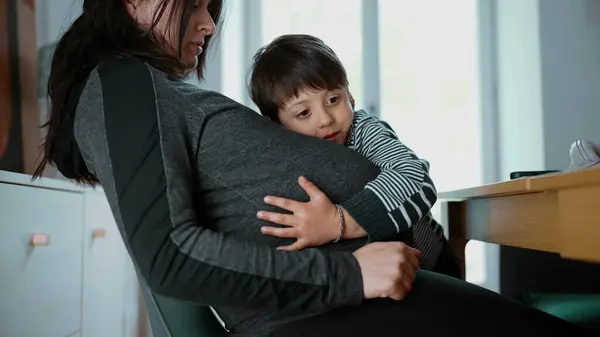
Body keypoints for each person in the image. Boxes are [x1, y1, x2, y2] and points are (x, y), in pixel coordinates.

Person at [32, 1, 594, 337]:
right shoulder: (121, 84)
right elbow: (171, 255)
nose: (207, 24)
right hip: (333, 306)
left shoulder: (145, 91)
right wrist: (351, 273)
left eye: (211, 8)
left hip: (366, 288)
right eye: (196, 4)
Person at [248, 34, 451, 273]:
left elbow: (415, 178)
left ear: (351, 97)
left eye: (333, 99)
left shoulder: (363, 130)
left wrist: (337, 221)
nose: (326, 119)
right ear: (277, 126)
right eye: (304, 113)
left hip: (433, 263)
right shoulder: (282, 159)